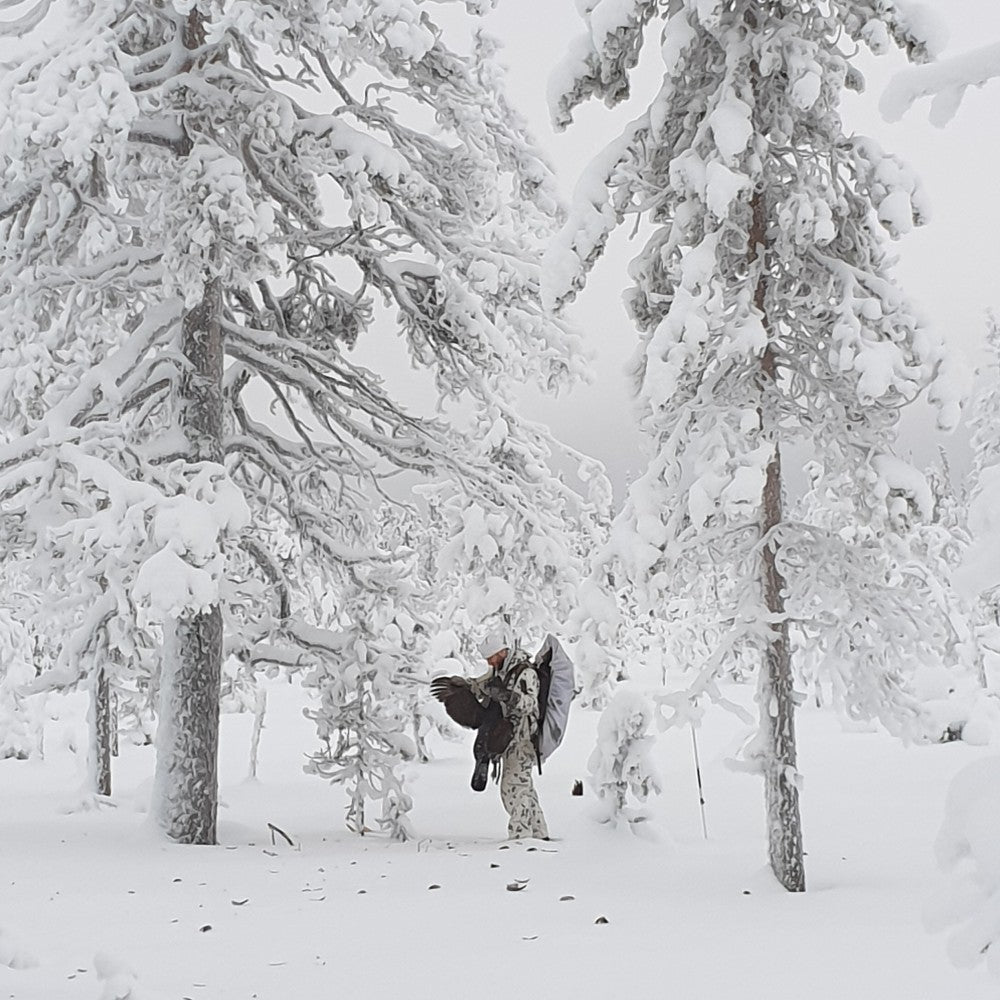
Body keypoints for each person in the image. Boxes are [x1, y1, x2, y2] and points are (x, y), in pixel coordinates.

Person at [469, 629, 549, 841]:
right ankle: (539, 833)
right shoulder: (501, 672)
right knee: (524, 788)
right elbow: (482, 686)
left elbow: (531, 704)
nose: (489, 662)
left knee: (513, 788)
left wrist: (508, 697)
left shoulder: (525, 673)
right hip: (509, 738)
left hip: (523, 740)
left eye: (490, 657)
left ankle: (521, 835)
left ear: (500, 652)